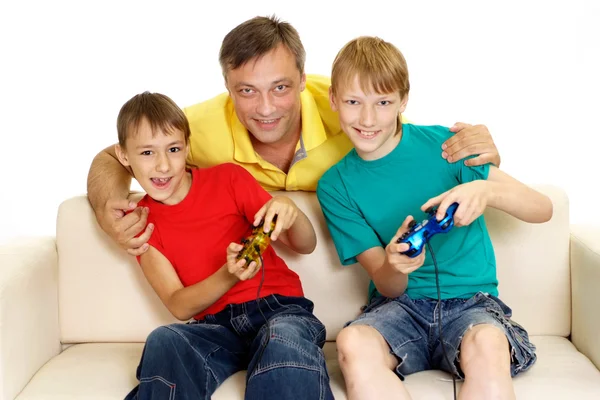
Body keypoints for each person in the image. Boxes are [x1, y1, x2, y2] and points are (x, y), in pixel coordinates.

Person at [86, 15, 502, 257]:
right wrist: (108, 214)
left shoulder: (351, 109)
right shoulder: (199, 126)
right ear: (228, 88)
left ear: (304, 80)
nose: (265, 108)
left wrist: (483, 152)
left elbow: (423, 150)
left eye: (280, 88)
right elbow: (113, 156)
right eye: (247, 90)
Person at [316, 36, 553, 400]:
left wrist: (485, 191)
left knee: (488, 344)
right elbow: (388, 284)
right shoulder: (335, 185)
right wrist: (395, 264)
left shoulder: (446, 147)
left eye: (383, 102)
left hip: (471, 305)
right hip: (397, 308)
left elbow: (542, 208)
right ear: (333, 100)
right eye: (352, 102)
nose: (367, 118)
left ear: (404, 100)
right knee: (352, 340)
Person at [115, 91, 333, 399]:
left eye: (173, 149)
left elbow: (305, 244)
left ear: (187, 147)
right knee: (166, 339)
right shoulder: (142, 225)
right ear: (124, 156)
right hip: (215, 329)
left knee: (283, 340)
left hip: (278, 311)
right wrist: (228, 274)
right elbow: (178, 305)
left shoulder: (228, 179)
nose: (163, 166)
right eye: (147, 153)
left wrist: (290, 211)